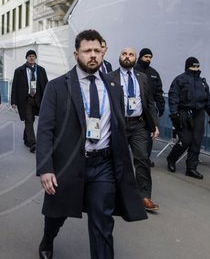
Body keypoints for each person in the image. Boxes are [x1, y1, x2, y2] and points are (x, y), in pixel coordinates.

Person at [36, 30, 147, 259]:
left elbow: (117, 125)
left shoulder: (114, 86)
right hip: (69, 164)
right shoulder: (57, 87)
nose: (93, 55)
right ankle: (48, 238)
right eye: (88, 51)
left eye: (97, 50)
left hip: (103, 166)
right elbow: (45, 130)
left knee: (102, 223)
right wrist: (46, 168)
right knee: (57, 214)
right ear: (77, 54)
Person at [109, 48, 160, 211]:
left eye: (131, 54)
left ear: (135, 58)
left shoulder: (142, 77)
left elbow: (149, 102)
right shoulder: (111, 77)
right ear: (119, 57)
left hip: (139, 125)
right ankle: (118, 195)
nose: (127, 56)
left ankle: (144, 196)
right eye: (124, 54)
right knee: (118, 160)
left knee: (142, 159)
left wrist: (155, 125)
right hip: (119, 125)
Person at [167, 57, 210, 179]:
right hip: (184, 114)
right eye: (193, 66)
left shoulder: (202, 82)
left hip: (199, 114)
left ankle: (191, 168)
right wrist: (174, 113)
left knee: (196, 141)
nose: (195, 69)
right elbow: (173, 97)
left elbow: (207, 101)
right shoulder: (180, 80)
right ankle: (171, 159)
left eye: (197, 66)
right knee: (185, 141)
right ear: (187, 67)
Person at [11, 50, 48, 153]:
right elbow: (15, 86)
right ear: (26, 58)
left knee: (31, 120)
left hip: (37, 99)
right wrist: (13, 101)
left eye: (33, 56)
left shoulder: (41, 70)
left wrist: (48, 99)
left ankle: (26, 138)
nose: (31, 58)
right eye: (29, 56)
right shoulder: (19, 71)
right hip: (25, 99)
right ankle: (33, 143)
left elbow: (46, 85)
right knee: (28, 120)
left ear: (35, 58)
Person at [134, 48, 165, 166]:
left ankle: (145, 158)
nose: (148, 59)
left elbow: (159, 91)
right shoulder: (134, 70)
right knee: (135, 134)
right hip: (136, 108)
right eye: (146, 56)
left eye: (150, 57)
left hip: (150, 108)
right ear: (140, 57)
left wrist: (161, 105)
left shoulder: (154, 73)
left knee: (149, 133)